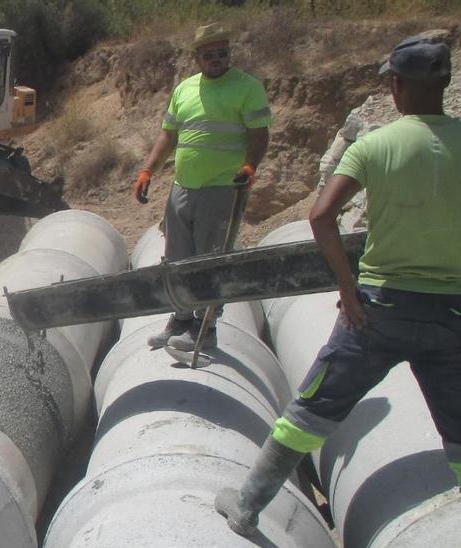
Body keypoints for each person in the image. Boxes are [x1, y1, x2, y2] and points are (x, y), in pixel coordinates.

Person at [215, 34, 460, 538]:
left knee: (311, 410)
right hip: (450, 316)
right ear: (445, 83)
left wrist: (347, 288)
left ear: (396, 86)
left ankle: (246, 507)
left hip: (378, 309)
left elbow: (322, 216)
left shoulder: (375, 145)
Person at [132, 22, 272, 351]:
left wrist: (251, 165)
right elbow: (169, 135)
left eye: (222, 53)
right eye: (209, 54)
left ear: (229, 54)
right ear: (197, 57)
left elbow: (259, 134)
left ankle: (205, 328)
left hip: (222, 188)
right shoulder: (184, 90)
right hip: (184, 186)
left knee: (211, 258)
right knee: (178, 257)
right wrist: (148, 170)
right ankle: (180, 319)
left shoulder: (247, 87)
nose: (216, 59)